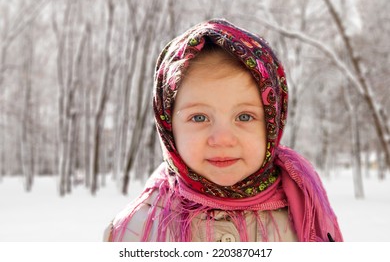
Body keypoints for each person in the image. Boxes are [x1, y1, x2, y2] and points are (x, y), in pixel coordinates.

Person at [103, 19, 343, 242]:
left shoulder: (305, 213)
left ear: (271, 124)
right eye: (199, 117)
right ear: (168, 127)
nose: (222, 139)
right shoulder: (134, 231)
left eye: (244, 117)